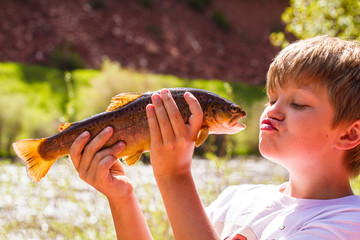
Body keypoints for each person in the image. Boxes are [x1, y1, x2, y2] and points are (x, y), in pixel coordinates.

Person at [69, 35, 360, 240]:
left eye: (298, 104)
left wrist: (174, 175)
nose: (273, 111)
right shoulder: (237, 199)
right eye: (272, 98)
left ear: (349, 133)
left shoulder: (347, 224)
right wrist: (122, 199)